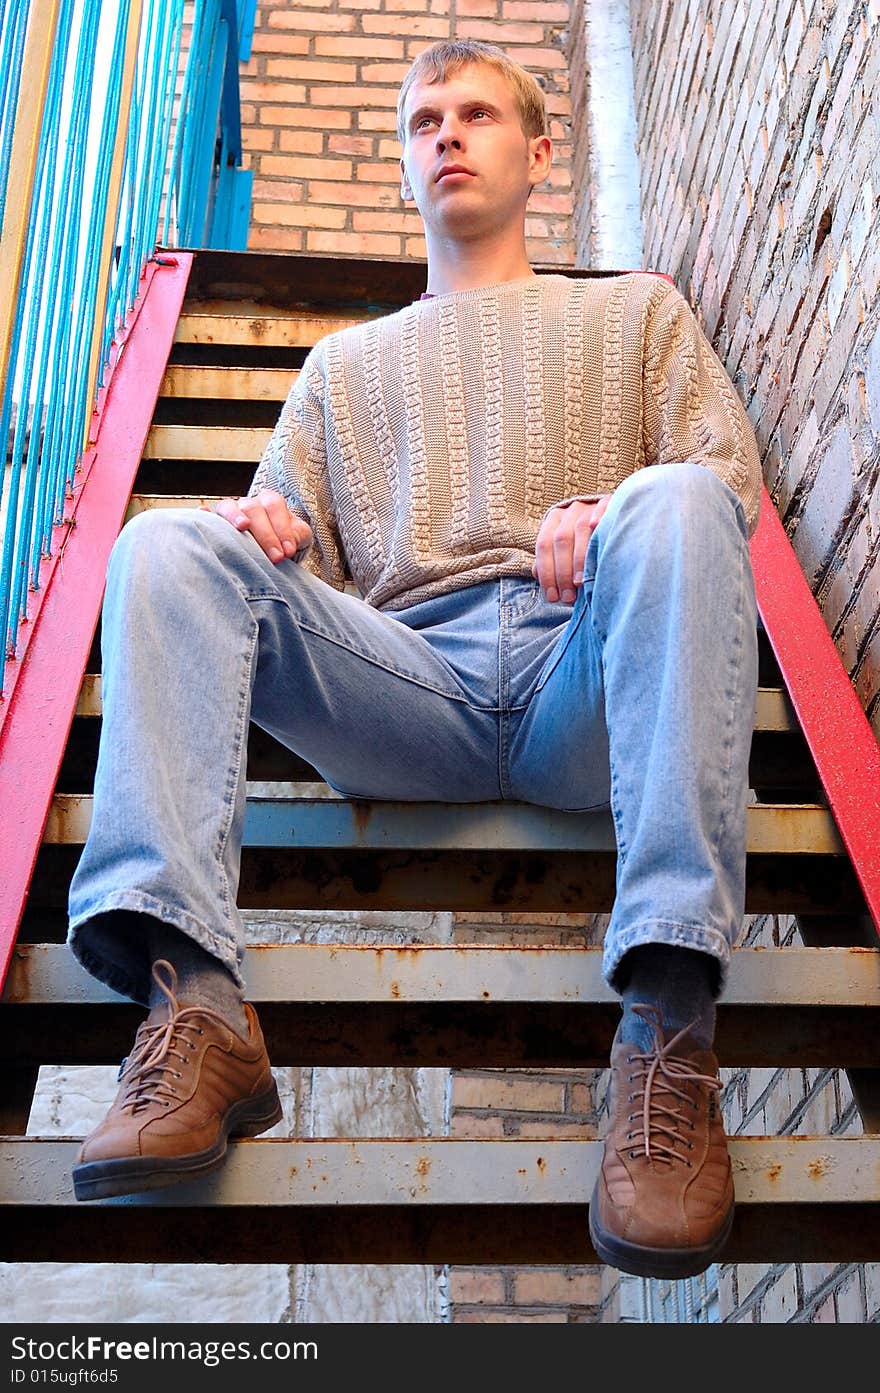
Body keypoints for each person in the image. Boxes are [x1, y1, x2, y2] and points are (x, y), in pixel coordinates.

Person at [67, 38, 761, 1280]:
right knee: (168, 547)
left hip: (581, 682)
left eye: (478, 113)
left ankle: (668, 1029)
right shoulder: (341, 369)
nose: (447, 134)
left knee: (677, 500)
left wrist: (616, 511)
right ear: (400, 165)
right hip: (406, 688)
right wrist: (262, 525)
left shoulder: (637, 313)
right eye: (423, 119)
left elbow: (726, 488)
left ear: (539, 153)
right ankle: (192, 1000)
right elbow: (278, 558)